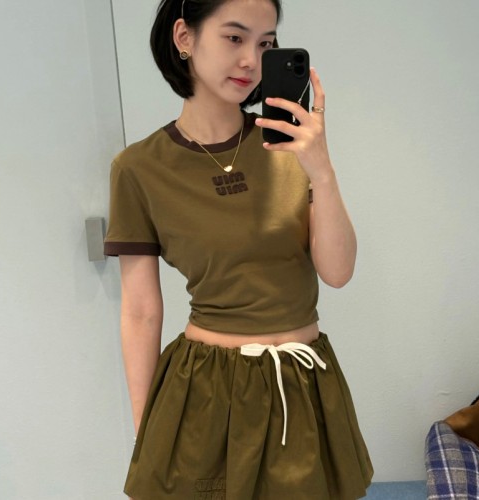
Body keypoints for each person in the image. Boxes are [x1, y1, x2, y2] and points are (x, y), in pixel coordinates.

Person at [104, 0, 373, 498]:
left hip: (302, 383)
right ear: (184, 38)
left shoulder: (292, 148)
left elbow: (337, 272)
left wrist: (322, 170)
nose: (252, 59)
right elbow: (140, 310)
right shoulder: (138, 169)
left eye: (265, 43)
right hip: (205, 391)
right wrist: (147, 430)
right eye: (235, 37)